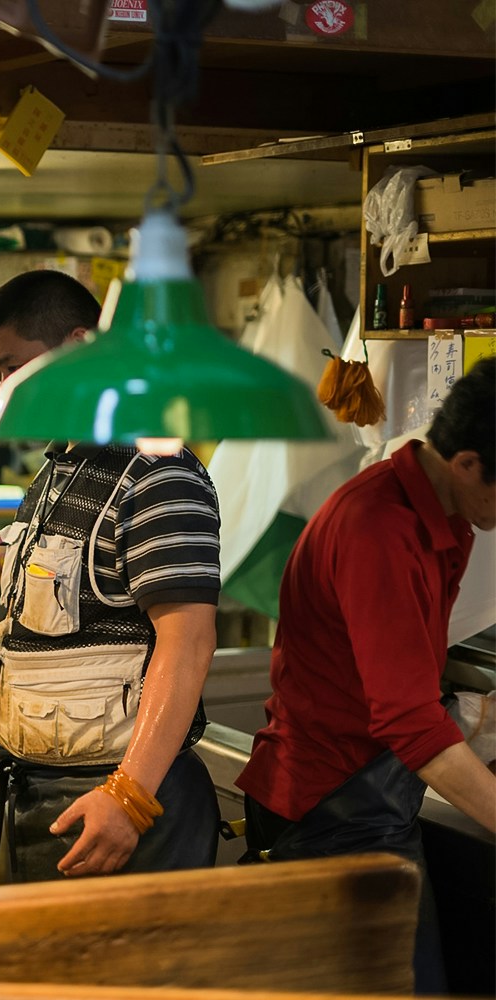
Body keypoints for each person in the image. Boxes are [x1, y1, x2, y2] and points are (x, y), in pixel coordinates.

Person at [0, 269, 222, 881]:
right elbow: (26, 635)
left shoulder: (158, 474)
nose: (5, 391)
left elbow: (189, 643)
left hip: (127, 807)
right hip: (45, 795)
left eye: (12, 367)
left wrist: (129, 797)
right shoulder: (57, 470)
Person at [236, 357, 496, 993]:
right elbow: (407, 720)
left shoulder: (443, 513)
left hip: (364, 793)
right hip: (332, 809)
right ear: (466, 463)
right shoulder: (379, 526)